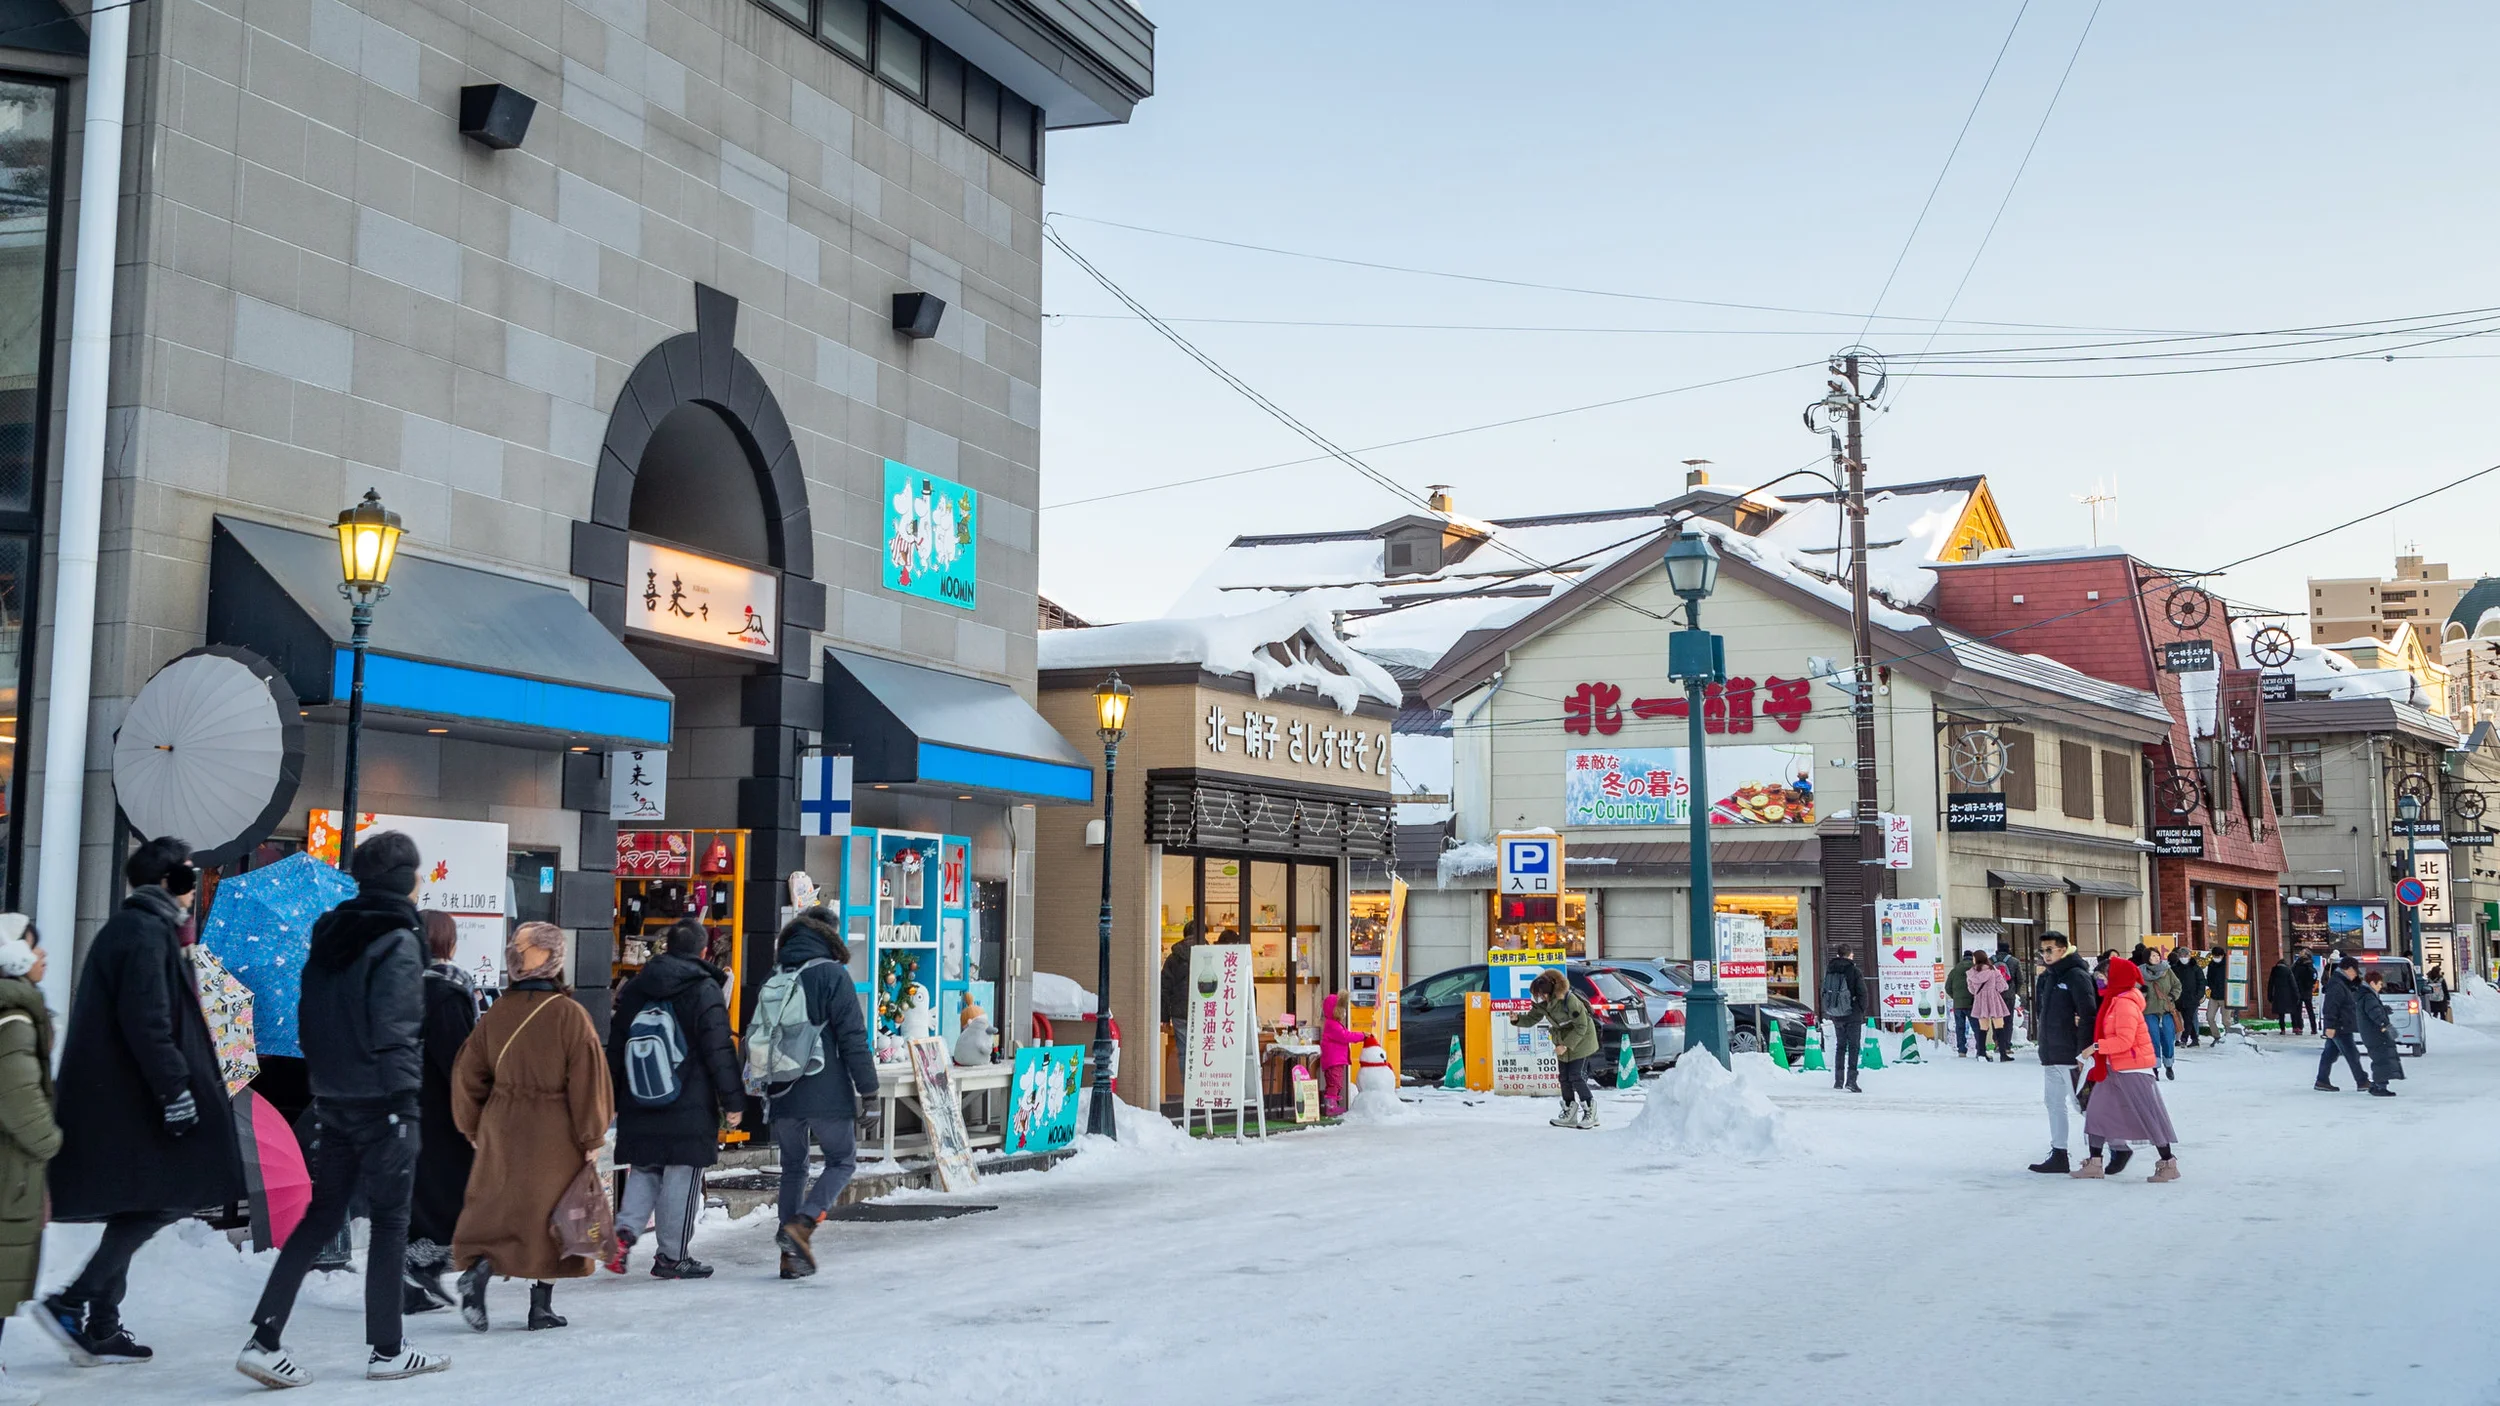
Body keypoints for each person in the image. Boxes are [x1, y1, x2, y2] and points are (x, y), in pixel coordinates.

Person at [237, 831, 447, 1387]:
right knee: (391, 1222)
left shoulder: (330, 935)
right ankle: (387, 1349)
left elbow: (310, 1019)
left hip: (334, 1098)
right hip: (384, 1102)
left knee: (322, 1216)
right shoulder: (398, 939)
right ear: (405, 879)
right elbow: (397, 1029)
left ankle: (265, 1337)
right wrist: (404, 1103)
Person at [40, 836, 244, 1367]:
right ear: (163, 881)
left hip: (125, 1099)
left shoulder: (140, 929)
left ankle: (102, 1322)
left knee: (144, 1200)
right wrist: (175, 1092)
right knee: (166, 1198)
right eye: (185, 875)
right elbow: (149, 1022)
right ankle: (73, 1301)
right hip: (138, 1100)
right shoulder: (143, 932)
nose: (191, 885)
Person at [451, 923, 612, 1333]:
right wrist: (592, 1136)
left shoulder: (498, 1012)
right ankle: (540, 1307)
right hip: (554, 1129)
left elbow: (468, 1072)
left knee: (502, 1209)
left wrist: (472, 1125)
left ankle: (481, 1269)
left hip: (501, 1123)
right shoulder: (569, 1015)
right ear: (556, 960)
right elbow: (587, 1079)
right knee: (554, 1216)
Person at [606, 920, 742, 1279]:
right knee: (682, 1175)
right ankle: (672, 1256)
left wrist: (611, 1094)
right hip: (689, 1101)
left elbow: (617, 1044)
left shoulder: (637, 987)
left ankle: (624, 1232)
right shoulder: (704, 988)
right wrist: (733, 1102)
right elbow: (719, 1049)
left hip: (639, 1097)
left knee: (645, 1168)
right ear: (703, 952)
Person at [758, 910, 878, 1280]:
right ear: (831, 936)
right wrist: (869, 1090)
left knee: (794, 1167)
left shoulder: (776, 975)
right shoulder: (832, 975)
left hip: (782, 1090)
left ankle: (788, 1257)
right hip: (825, 1088)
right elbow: (852, 1038)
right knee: (841, 1160)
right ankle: (802, 1226)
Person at [0, 916, 59, 1406]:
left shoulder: (20, 1013)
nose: (43, 957)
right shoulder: (14, 1020)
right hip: (8, 1172)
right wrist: (51, 1139)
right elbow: (19, 1097)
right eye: (35, 949)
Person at [406, 912, 476, 1315]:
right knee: (443, 1192)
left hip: (410, 1103)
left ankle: (416, 1277)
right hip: (440, 1110)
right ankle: (420, 1273)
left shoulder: (404, 985)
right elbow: (458, 1059)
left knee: (418, 1194)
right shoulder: (446, 990)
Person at [2072, 957, 2181, 1182]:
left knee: (2149, 1117)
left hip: (2133, 1069)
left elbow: (2124, 1040)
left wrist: (2094, 1048)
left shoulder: (2124, 1004)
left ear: (2115, 979)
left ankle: (2168, 1163)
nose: (2099, 983)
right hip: (2113, 1068)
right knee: (2096, 1113)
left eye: (2102, 978)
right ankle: (2094, 1162)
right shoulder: (2114, 1001)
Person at [2028, 931, 2098, 1175]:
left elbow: (2089, 1014)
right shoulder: (2047, 978)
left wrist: (2083, 1052)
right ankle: (2059, 1153)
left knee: (2084, 1105)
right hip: (2051, 1053)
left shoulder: (2076, 975)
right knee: (2053, 1102)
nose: (2045, 955)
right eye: (2042, 950)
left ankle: (2108, 1150)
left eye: (2050, 950)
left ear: (2063, 949)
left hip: (2070, 1054)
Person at [1512, 970, 1601, 1128]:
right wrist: (1517, 1019)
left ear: (1551, 990)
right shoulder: (1543, 1004)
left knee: (1576, 1075)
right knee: (1564, 1078)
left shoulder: (1569, 999)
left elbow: (1582, 1025)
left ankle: (1590, 1111)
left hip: (1582, 1039)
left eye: (1543, 994)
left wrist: (1566, 1045)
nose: (1542, 998)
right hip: (1562, 1041)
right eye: (1538, 995)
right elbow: (1532, 1018)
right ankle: (1569, 1112)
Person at [1159, 918, 1206, 1090]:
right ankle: (1204, 1088)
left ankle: (1189, 1089)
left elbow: (1164, 988)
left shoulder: (1173, 958)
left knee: (1185, 1052)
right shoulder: (1210, 954)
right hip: (1205, 1012)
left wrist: (1164, 1017)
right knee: (1205, 1050)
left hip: (1180, 1013)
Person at [2314, 956, 2369, 1092]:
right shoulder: (2337, 984)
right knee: (2352, 1054)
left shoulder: (2341, 983)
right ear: (2348, 969)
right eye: (2355, 971)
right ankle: (2362, 1081)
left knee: (2329, 1054)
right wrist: (2330, 1026)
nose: (2356, 974)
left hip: (2340, 1025)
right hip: (2340, 1026)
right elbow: (2331, 1006)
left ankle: (2322, 1080)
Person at [1316, 993, 1376, 1117]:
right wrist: (1361, 1035)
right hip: (1334, 1060)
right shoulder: (1333, 1025)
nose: (1344, 1013)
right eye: (1341, 1009)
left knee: (1334, 1082)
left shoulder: (1332, 1024)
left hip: (1334, 1059)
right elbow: (1345, 1036)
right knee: (1335, 1083)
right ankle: (1331, 1106)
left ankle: (1333, 1105)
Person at [1820, 951, 1869, 1093]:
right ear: (1849, 955)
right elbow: (1862, 992)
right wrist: (1861, 1009)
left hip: (1836, 1014)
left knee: (1840, 1046)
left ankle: (1838, 1080)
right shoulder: (1854, 971)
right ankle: (1851, 1080)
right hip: (1852, 1014)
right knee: (1853, 1047)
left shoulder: (1830, 970)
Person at [2354, 971, 2404, 1096]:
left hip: (2370, 1033)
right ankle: (2380, 1086)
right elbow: (2374, 1014)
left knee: (2379, 1057)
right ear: (2372, 983)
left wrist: (2383, 1010)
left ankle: (2377, 1084)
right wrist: (2386, 1025)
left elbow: (2374, 1011)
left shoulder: (2366, 995)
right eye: (2380, 984)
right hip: (2375, 1033)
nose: (2381, 986)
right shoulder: (2369, 996)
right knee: (2382, 1058)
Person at [2139, 948, 2181, 1080]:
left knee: (2168, 1038)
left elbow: (2177, 985)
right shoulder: (2140, 972)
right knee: (2153, 1039)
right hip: (2149, 1010)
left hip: (2166, 1010)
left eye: (2158, 955)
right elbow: (2134, 988)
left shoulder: (2167, 970)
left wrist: (2172, 996)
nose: (2157, 958)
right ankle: (2154, 1067)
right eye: (2153, 956)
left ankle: (2169, 1065)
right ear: (2147, 959)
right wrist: (2141, 993)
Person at [1967, 954, 2011, 1064]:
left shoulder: (1971, 973)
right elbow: (2002, 986)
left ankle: (1981, 1053)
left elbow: (1971, 989)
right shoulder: (1993, 970)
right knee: (1999, 1026)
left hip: (1980, 1000)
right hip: (1993, 998)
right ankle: (2003, 1054)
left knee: (1983, 1028)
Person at [1946, 952, 1976, 1058]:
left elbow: (1947, 987)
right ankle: (1980, 1048)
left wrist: (1956, 997)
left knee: (1960, 1027)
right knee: (1976, 1026)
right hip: (1972, 1003)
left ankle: (1961, 1050)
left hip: (1958, 1004)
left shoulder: (1954, 970)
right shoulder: (1975, 969)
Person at [2172, 947, 2204, 1047]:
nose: (2183, 958)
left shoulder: (2196, 968)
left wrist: (2198, 995)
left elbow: (2201, 982)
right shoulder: (2175, 968)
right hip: (2180, 999)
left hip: (2192, 998)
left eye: (2185, 956)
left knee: (2188, 1018)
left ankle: (2184, 1039)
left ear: (2189, 956)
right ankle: (2195, 1039)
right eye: (2181, 956)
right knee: (2186, 1019)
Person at [2267, 957, 2304, 1035]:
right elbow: (2293, 984)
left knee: (2281, 1014)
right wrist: (2297, 995)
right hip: (2289, 995)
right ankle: (2295, 1027)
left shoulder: (2274, 971)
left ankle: (2282, 1029)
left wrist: (2270, 996)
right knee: (2293, 1011)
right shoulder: (2288, 971)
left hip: (2278, 995)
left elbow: (2270, 984)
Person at [2294, 951, 2320, 1032]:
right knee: (2310, 1009)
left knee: (2298, 1010)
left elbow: (2293, 976)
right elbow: (2314, 977)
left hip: (2298, 989)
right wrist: (2311, 984)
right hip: (2307, 990)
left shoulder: (2296, 965)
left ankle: (2299, 1027)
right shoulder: (2310, 966)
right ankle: (2314, 1028)